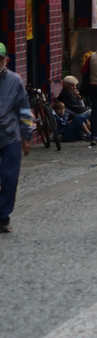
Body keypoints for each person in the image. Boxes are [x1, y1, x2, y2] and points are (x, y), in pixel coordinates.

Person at [0, 43, 32, 233]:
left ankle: (3, 216)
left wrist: (27, 136)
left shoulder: (15, 80)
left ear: (6, 60)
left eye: (0, 59)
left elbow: (24, 110)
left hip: (10, 135)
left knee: (9, 178)